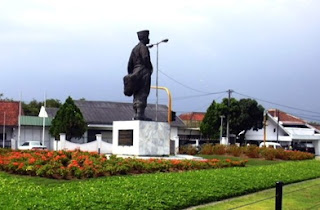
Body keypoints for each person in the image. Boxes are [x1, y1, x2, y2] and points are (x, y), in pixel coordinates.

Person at [124, 30, 153, 120]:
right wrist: (149, 69)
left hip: (135, 72)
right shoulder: (143, 48)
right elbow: (145, 59)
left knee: (136, 93)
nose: (149, 39)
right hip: (143, 72)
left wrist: (132, 74)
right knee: (143, 92)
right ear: (144, 38)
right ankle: (140, 113)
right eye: (147, 37)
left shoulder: (134, 49)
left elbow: (129, 64)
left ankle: (137, 112)